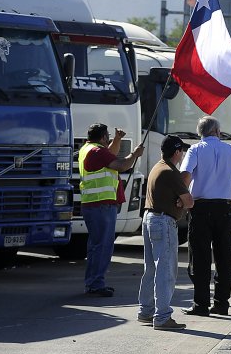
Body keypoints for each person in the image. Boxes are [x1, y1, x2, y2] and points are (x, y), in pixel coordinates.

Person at [180, 116, 231, 317]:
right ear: (217, 131)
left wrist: (184, 198)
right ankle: (221, 304)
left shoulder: (195, 149)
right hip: (224, 208)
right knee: (224, 258)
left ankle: (201, 305)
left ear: (201, 133)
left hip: (201, 208)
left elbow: (185, 175)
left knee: (200, 257)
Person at [78, 123, 144, 297]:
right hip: (101, 205)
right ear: (103, 137)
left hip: (94, 204)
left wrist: (118, 139)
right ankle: (95, 284)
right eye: (108, 136)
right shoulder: (97, 152)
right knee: (102, 247)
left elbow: (110, 154)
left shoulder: (89, 148)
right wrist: (134, 154)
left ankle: (93, 282)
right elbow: (121, 165)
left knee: (96, 246)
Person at [137, 135, 193, 331]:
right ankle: (162, 317)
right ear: (177, 152)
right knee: (165, 270)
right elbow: (189, 201)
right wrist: (182, 198)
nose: (183, 154)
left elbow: (181, 199)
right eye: (182, 151)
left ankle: (146, 311)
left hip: (150, 218)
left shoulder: (157, 167)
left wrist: (180, 199)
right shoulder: (170, 172)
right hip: (163, 222)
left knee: (151, 268)